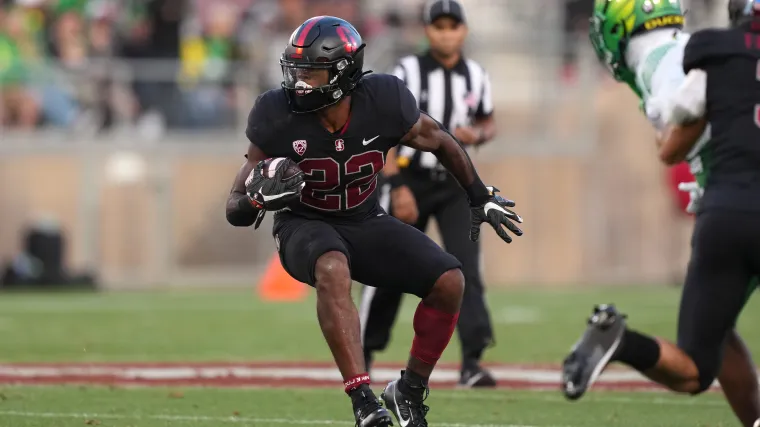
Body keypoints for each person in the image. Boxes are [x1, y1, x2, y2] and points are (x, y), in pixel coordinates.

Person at [224, 16, 523, 427]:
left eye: (312, 72)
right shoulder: (275, 113)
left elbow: (439, 140)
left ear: (343, 73)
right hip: (303, 225)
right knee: (332, 266)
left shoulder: (383, 100)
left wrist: (479, 195)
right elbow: (234, 207)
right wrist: (257, 199)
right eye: (296, 71)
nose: (300, 83)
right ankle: (363, 400)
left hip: (364, 220)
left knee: (450, 281)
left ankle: (409, 390)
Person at [561, 1, 760, 426]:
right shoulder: (694, 54)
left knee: (697, 363)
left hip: (724, 213)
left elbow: (674, 138)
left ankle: (622, 341)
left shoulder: (711, 56)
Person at [358, 0, 499, 388]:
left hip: (453, 184)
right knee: (386, 266)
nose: (447, 34)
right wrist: (395, 185)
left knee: (466, 267)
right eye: (439, 26)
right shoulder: (406, 72)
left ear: (464, 31)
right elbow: (383, 131)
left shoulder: (476, 75)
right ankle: (364, 351)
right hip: (410, 177)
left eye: (453, 26)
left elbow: (488, 120)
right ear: (427, 31)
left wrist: (479, 134)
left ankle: (472, 361)